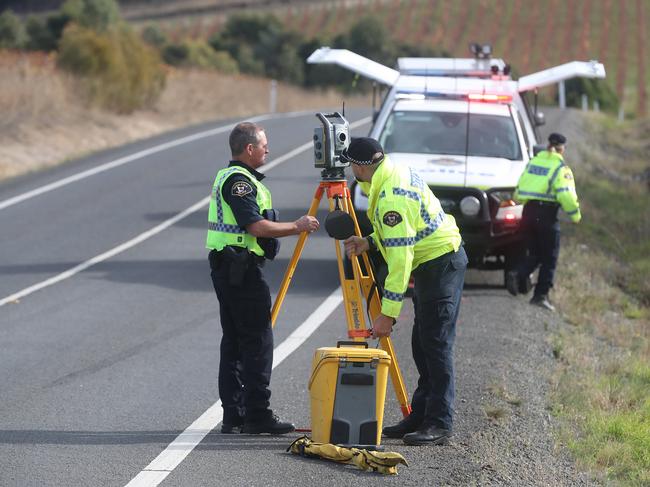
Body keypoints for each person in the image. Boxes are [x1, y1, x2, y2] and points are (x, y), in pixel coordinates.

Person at [342, 137, 467, 446]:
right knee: (422, 343)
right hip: (433, 260)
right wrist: (369, 242)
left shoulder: (390, 198)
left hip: (439, 263)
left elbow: (401, 259)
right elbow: (404, 231)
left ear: (359, 166)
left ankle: (440, 422)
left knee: (436, 345)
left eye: (350, 166)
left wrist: (387, 314)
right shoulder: (392, 169)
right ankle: (422, 414)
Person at [206, 122, 319, 434]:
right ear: (249, 149)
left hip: (228, 266)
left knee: (235, 341)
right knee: (257, 341)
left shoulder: (228, 176)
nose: (268, 150)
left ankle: (235, 414)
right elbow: (255, 226)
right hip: (240, 268)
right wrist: (298, 226)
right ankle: (257, 414)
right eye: (264, 145)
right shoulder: (240, 183)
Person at [506, 132, 581, 312]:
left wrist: (521, 202)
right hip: (547, 215)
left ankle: (518, 273)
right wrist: (575, 215)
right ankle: (540, 296)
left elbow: (519, 189)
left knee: (535, 252)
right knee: (550, 256)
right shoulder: (560, 168)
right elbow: (566, 195)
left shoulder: (534, 162)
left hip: (528, 212)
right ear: (562, 149)